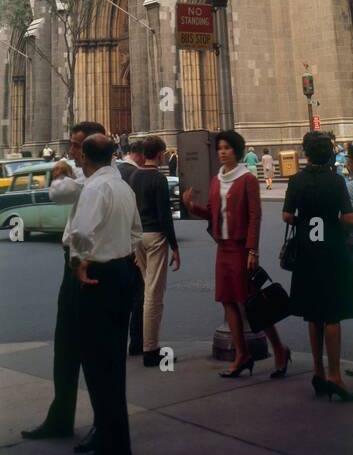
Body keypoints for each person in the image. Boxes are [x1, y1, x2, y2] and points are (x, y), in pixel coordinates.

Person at [21, 120, 106, 446]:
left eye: (76, 146)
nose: (70, 152)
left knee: (95, 353)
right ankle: (61, 417)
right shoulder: (85, 175)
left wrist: (59, 172)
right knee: (67, 347)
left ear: (91, 149)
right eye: (70, 146)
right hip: (72, 265)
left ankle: (103, 425)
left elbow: (60, 192)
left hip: (93, 268)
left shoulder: (94, 180)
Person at [183, 129, 290, 379]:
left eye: (227, 148)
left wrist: (253, 249)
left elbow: (255, 215)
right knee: (228, 300)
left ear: (237, 151)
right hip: (224, 248)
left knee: (254, 305)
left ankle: (279, 348)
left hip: (242, 249)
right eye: (219, 147)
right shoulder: (217, 179)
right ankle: (242, 354)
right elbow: (212, 212)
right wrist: (192, 207)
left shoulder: (247, 179)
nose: (222, 152)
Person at [69, 134, 142, 455]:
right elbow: (137, 234)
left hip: (98, 279)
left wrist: (80, 261)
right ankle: (106, 447)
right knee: (112, 370)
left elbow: (79, 233)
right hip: (123, 274)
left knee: (101, 374)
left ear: (84, 155)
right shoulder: (124, 187)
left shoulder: (95, 190)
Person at [283, 131, 353, 401]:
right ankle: (335, 375)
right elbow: (347, 217)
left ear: (305, 153)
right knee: (332, 314)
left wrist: (304, 221)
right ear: (328, 153)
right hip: (332, 251)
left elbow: (287, 215)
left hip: (306, 253)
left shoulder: (296, 181)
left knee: (313, 314)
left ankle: (319, 371)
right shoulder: (336, 182)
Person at [130, 135, 180, 366]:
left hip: (137, 237)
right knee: (154, 295)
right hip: (155, 237)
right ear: (160, 155)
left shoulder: (134, 176)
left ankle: (141, 342)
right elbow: (165, 216)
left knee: (146, 290)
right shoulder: (159, 179)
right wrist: (175, 246)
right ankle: (151, 349)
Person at [118, 140, 146, 355]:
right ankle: (137, 341)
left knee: (120, 297)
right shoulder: (137, 175)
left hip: (116, 247)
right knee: (139, 295)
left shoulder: (116, 173)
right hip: (133, 246)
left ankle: (116, 342)